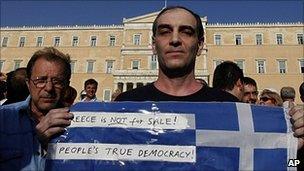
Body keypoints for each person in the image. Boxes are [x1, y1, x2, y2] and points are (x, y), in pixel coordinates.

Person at [115, 6, 238, 102]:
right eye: (165, 32)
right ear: (153, 45)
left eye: (186, 32)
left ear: (200, 45)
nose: (175, 40)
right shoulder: (124, 104)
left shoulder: (229, 105)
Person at [0, 47, 74, 170]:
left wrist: (51, 149)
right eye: (41, 80)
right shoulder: (3, 119)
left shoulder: (80, 126)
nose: (49, 88)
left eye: (57, 81)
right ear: (28, 84)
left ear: (66, 86)